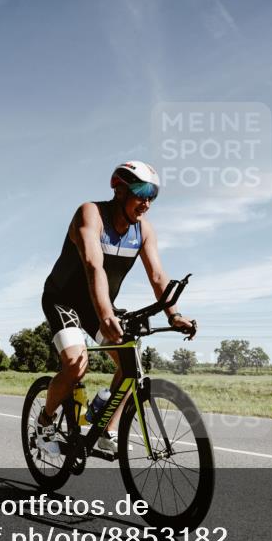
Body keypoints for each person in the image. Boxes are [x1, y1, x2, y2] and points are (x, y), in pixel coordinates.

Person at [38, 161, 196, 455]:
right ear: (120, 191)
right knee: (75, 364)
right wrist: (106, 314)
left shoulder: (143, 231)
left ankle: (106, 428)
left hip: (97, 304)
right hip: (64, 300)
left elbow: (158, 277)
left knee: (129, 361)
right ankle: (45, 420)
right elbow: (92, 265)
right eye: (142, 193)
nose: (147, 203)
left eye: (153, 196)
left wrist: (173, 315)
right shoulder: (91, 213)